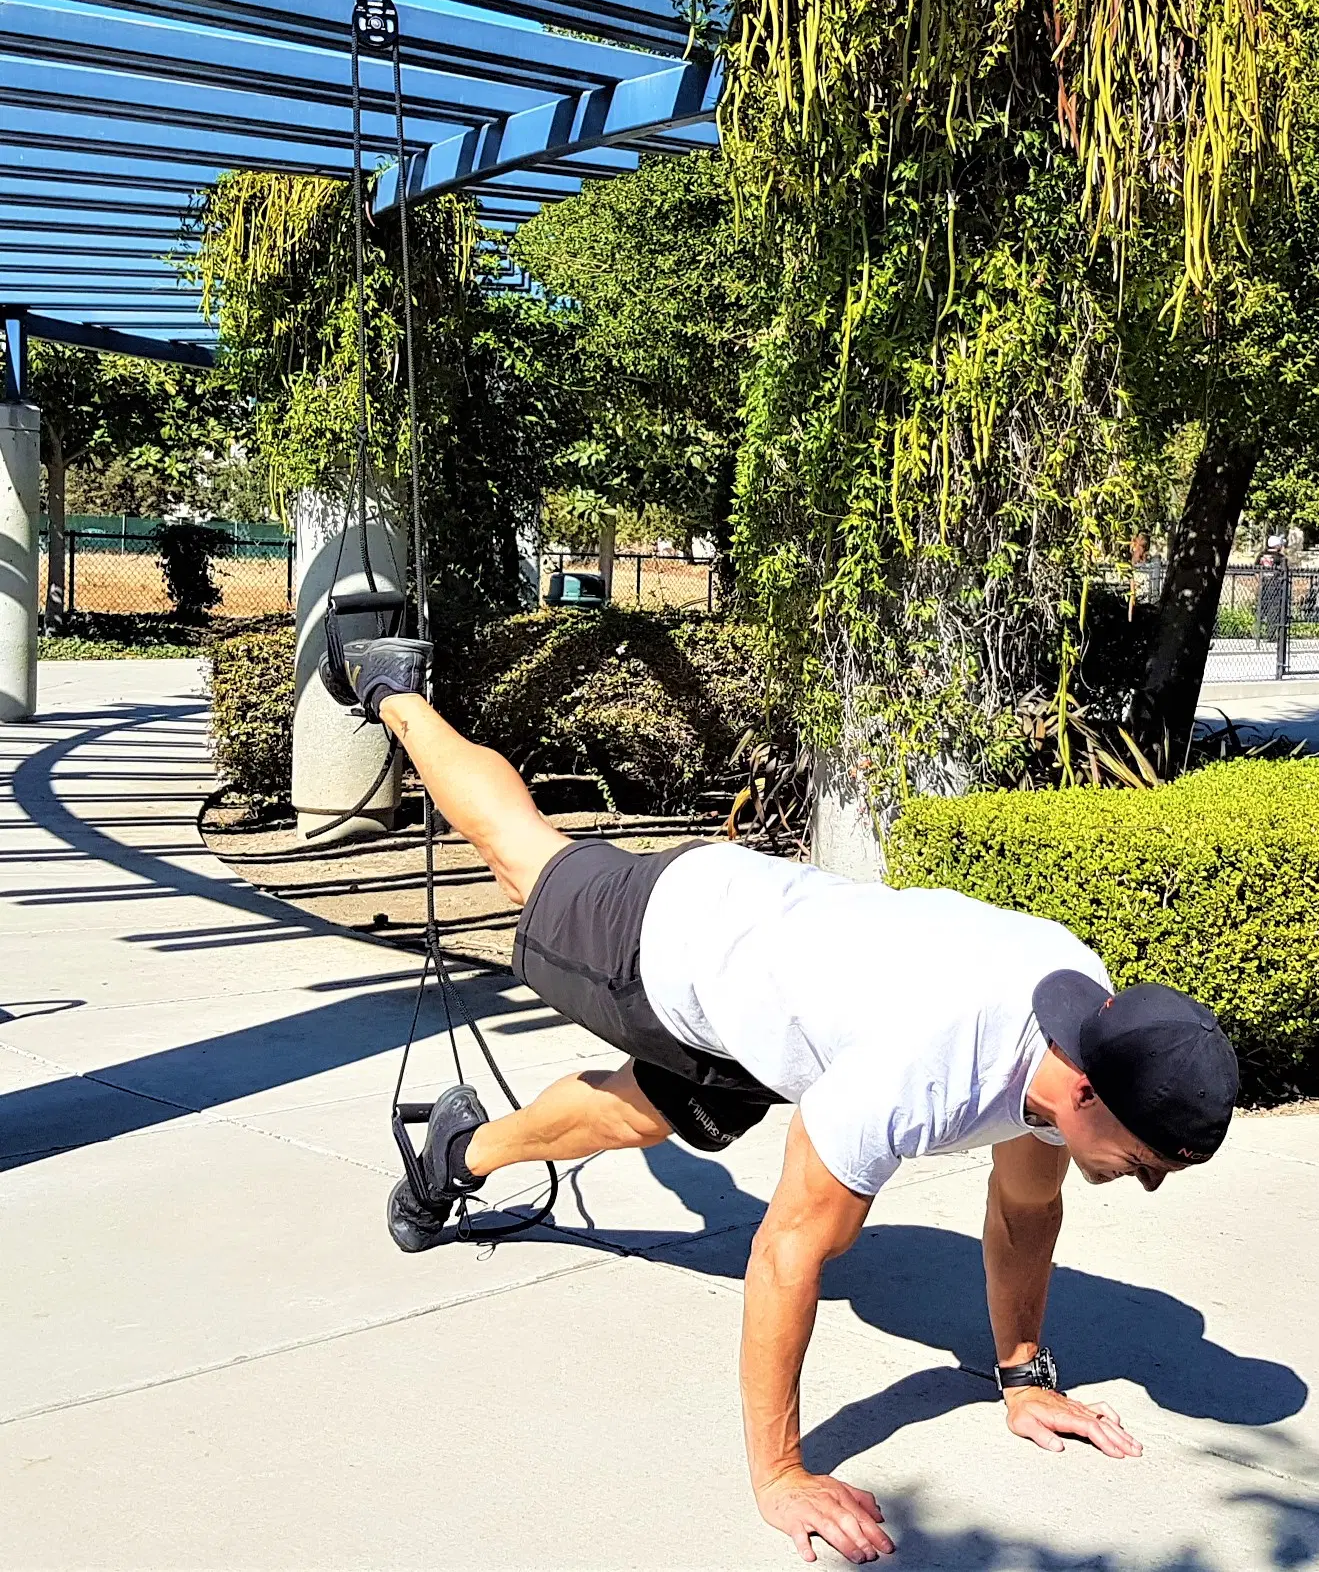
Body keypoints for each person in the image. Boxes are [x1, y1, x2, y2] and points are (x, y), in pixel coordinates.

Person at [335, 638, 1241, 1566]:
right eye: (1144, 1162)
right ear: (1088, 1089)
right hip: (680, 940)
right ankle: (390, 686)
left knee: (639, 1116)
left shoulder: (1079, 1012)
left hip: (779, 1019)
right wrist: (779, 1474)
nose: (1144, 1186)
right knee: (525, 851)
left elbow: (1026, 1209)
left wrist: (1025, 1378)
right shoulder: (927, 1067)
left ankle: (459, 1156)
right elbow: (785, 1253)